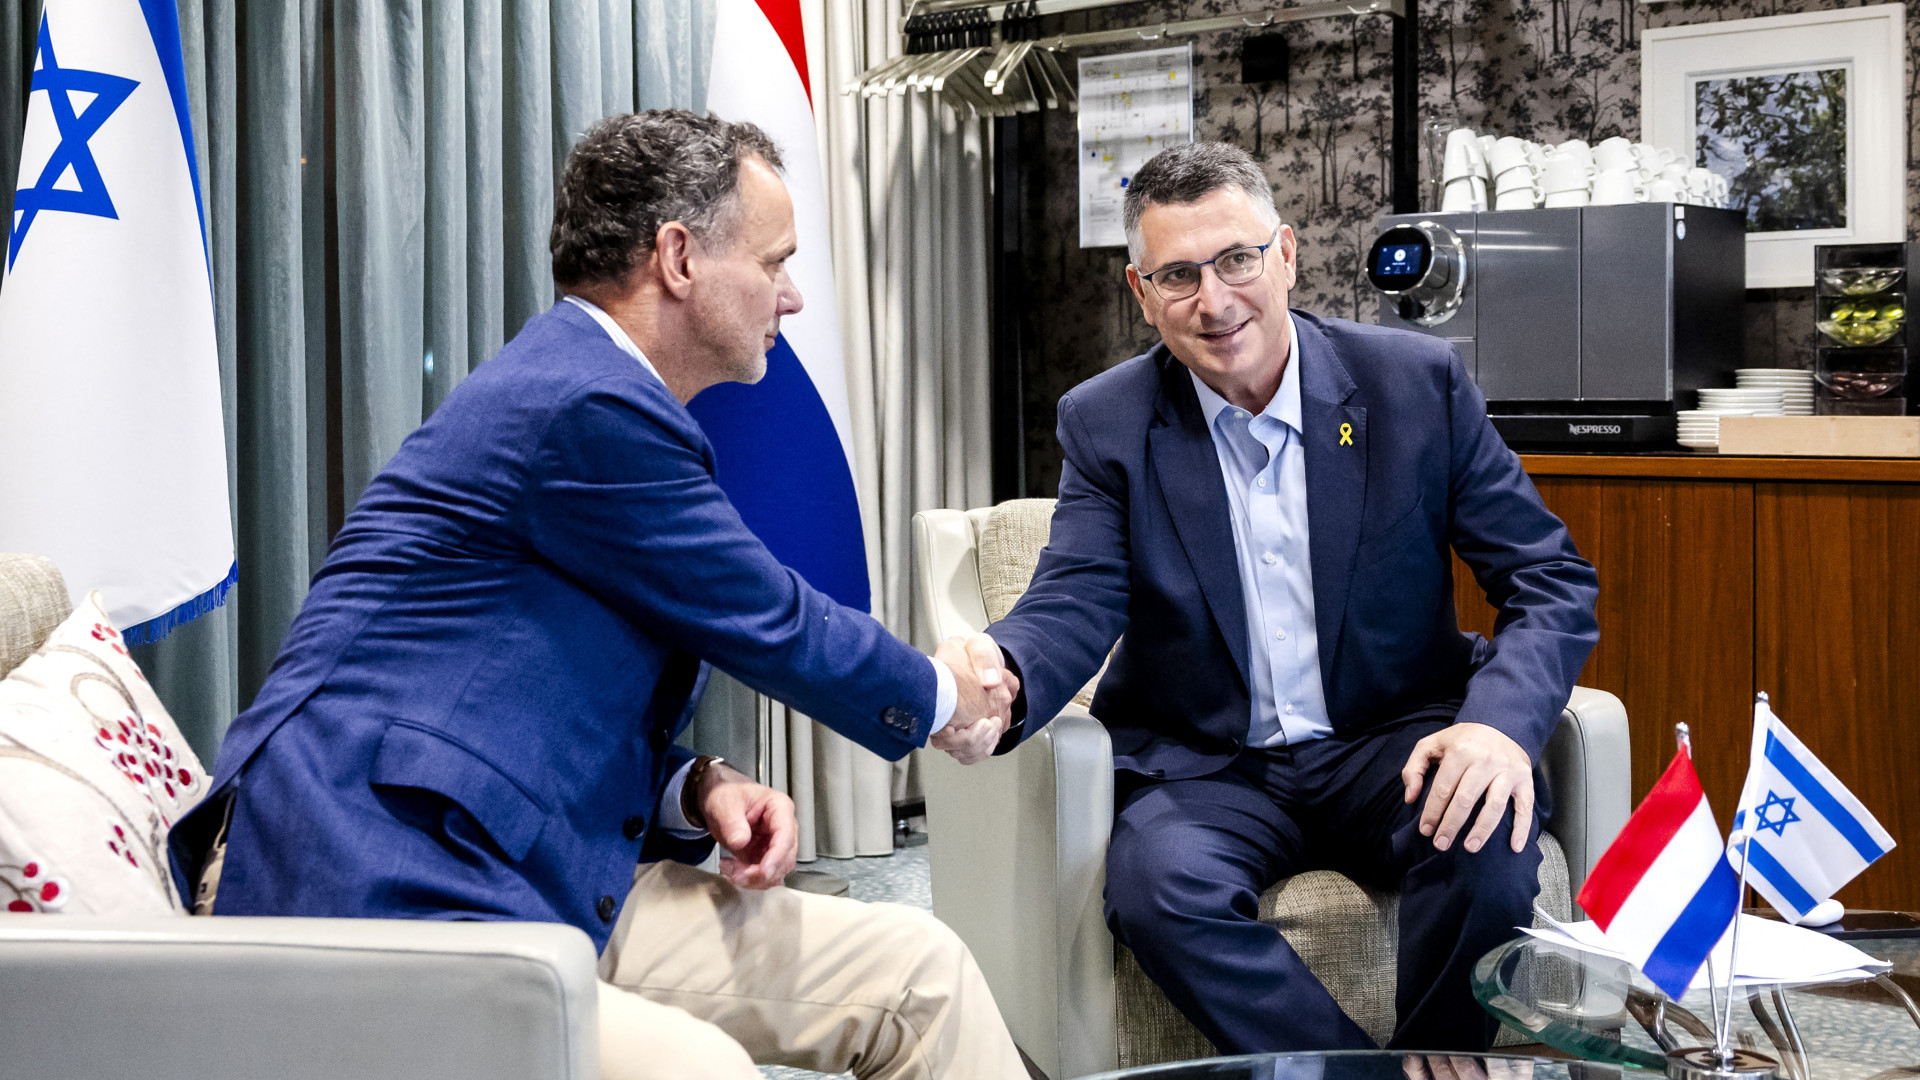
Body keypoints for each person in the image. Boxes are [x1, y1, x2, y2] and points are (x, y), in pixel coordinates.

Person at [169, 110, 1027, 1080]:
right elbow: (769, 617)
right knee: (699, 1071)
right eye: (775, 262)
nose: (791, 296)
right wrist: (947, 695)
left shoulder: (592, 393)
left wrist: (694, 787)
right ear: (679, 258)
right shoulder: (583, 401)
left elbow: (525, 693)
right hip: (368, 879)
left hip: (527, 873)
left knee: (918, 970)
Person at [960, 142, 1600, 1052]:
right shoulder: (1106, 421)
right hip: (1208, 766)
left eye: (1236, 259)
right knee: (1157, 892)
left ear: (1287, 255)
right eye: (1178, 275)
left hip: (1392, 740)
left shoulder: (1414, 384)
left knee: (1488, 847)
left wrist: (1497, 726)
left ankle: (1434, 1057)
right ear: (1142, 293)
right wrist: (1004, 667)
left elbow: (1548, 579)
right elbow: (1076, 597)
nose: (1214, 300)